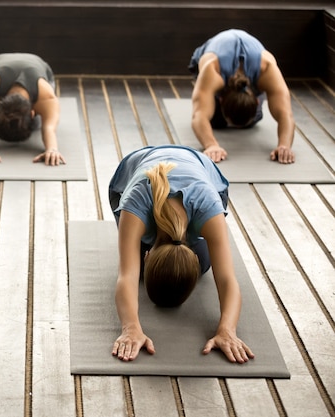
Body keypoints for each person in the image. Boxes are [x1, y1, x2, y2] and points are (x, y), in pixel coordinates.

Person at [108, 144, 255, 363]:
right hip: (135, 169)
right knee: (137, 266)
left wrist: (228, 330)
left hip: (201, 171)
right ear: (147, 255)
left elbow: (227, 279)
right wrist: (131, 328)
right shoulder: (134, 204)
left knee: (201, 264)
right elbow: (126, 276)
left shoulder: (208, 206)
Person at [188, 29, 295, 164]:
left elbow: (286, 114)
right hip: (211, 54)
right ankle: (218, 110)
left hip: (252, 65)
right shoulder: (213, 70)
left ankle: (246, 114)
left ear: (257, 101)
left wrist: (284, 145)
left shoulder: (267, 70)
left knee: (250, 122)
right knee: (216, 121)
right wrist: (211, 145)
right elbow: (199, 115)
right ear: (220, 100)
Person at [0, 52, 65, 166]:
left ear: (32, 112)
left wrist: (52, 149)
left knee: (37, 125)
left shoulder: (47, 96)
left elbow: (49, 128)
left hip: (41, 67)